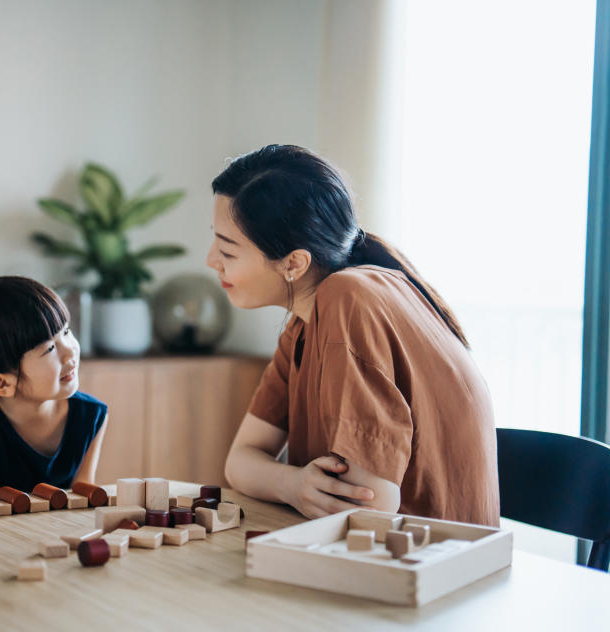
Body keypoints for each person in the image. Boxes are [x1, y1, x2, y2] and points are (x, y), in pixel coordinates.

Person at [210, 144, 498, 526]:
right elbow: (240, 461)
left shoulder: (348, 298)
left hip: (428, 564)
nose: (211, 260)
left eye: (228, 252)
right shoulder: (303, 323)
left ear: (294, 263)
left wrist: (286, 483)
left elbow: (366, 505)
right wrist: (292, 483)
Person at [0, 276, 108, 495]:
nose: (70, 351)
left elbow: (82, 500)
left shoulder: (91, 416)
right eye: (50, 349)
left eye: (66, 332)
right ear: (1, 382)